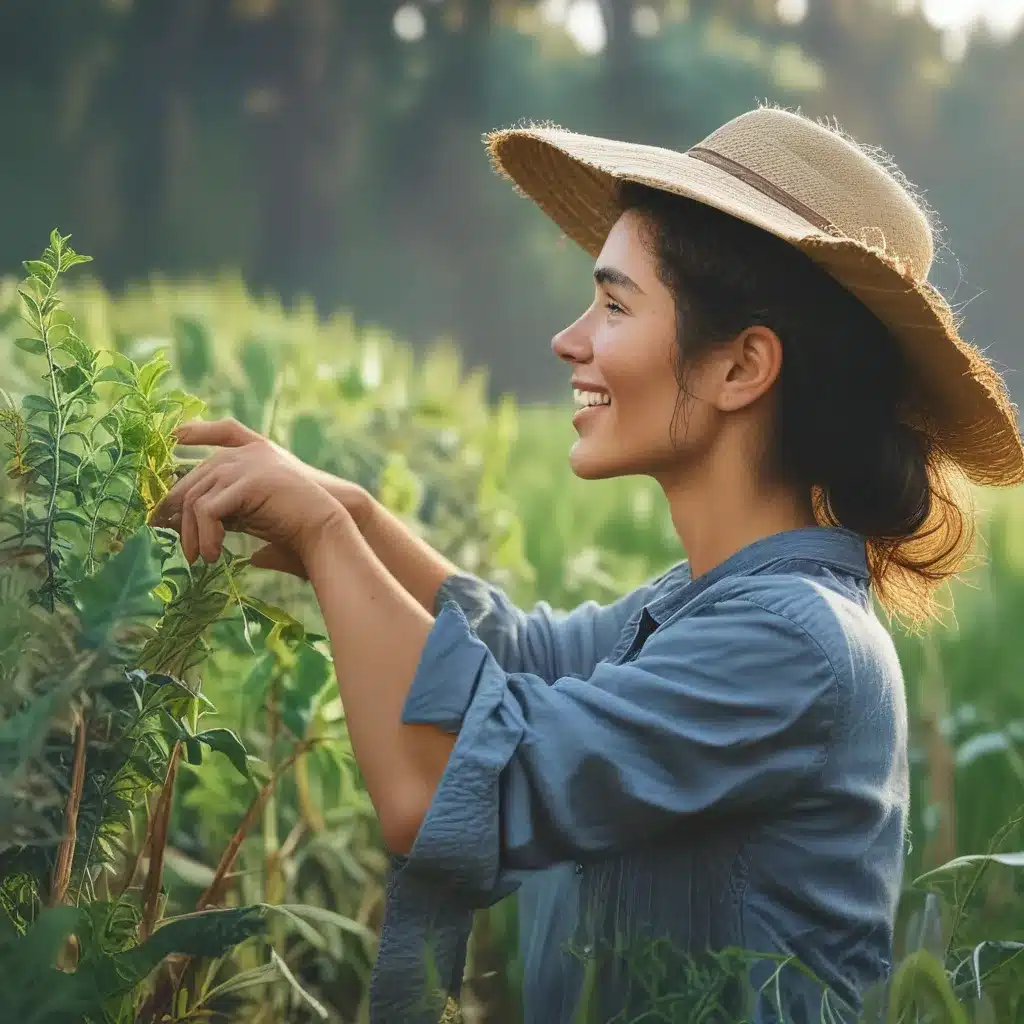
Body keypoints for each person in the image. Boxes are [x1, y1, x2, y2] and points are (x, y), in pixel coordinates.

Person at [153, 106, 1024, 1023]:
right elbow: (519, 657)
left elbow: (452, 783)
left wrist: (329, 537)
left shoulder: (793, 642)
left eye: (614, 306)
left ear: (742, 369)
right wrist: (355, 517)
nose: (572, 341)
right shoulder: (704, 608)